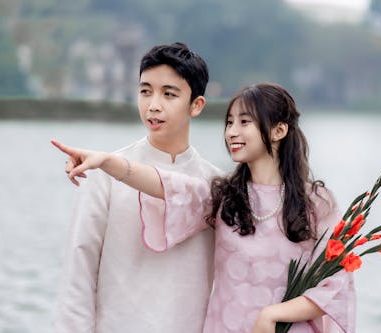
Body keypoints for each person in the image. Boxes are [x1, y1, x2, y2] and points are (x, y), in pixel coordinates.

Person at [52, 83, 356, 333]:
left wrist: (272, 315)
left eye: (244, 122)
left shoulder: (317, 202)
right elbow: (163, 183)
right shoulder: (224, 196)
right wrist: (106, 161)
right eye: (229, 123)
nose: (232, 132)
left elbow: (334, 283)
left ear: (278, 130)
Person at [53, 42, 222, 333]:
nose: (153, 104)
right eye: (145, 91)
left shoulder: (216, 186)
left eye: (169, 94)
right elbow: (79, 269)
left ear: (196, 105)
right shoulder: (103, 171)